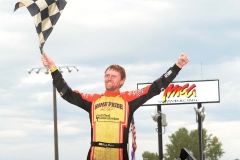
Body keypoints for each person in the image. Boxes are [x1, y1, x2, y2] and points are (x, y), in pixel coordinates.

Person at [41, 53, 189, 160]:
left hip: (118, 154)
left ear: (122, 81)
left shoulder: (129, 99)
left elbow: (156, 87)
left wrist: (177, 67)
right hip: (94, 154)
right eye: (107, 75)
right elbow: (66, 93)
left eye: (113, 76)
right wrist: (53, 68)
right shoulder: (94, 100)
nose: (109, 78)